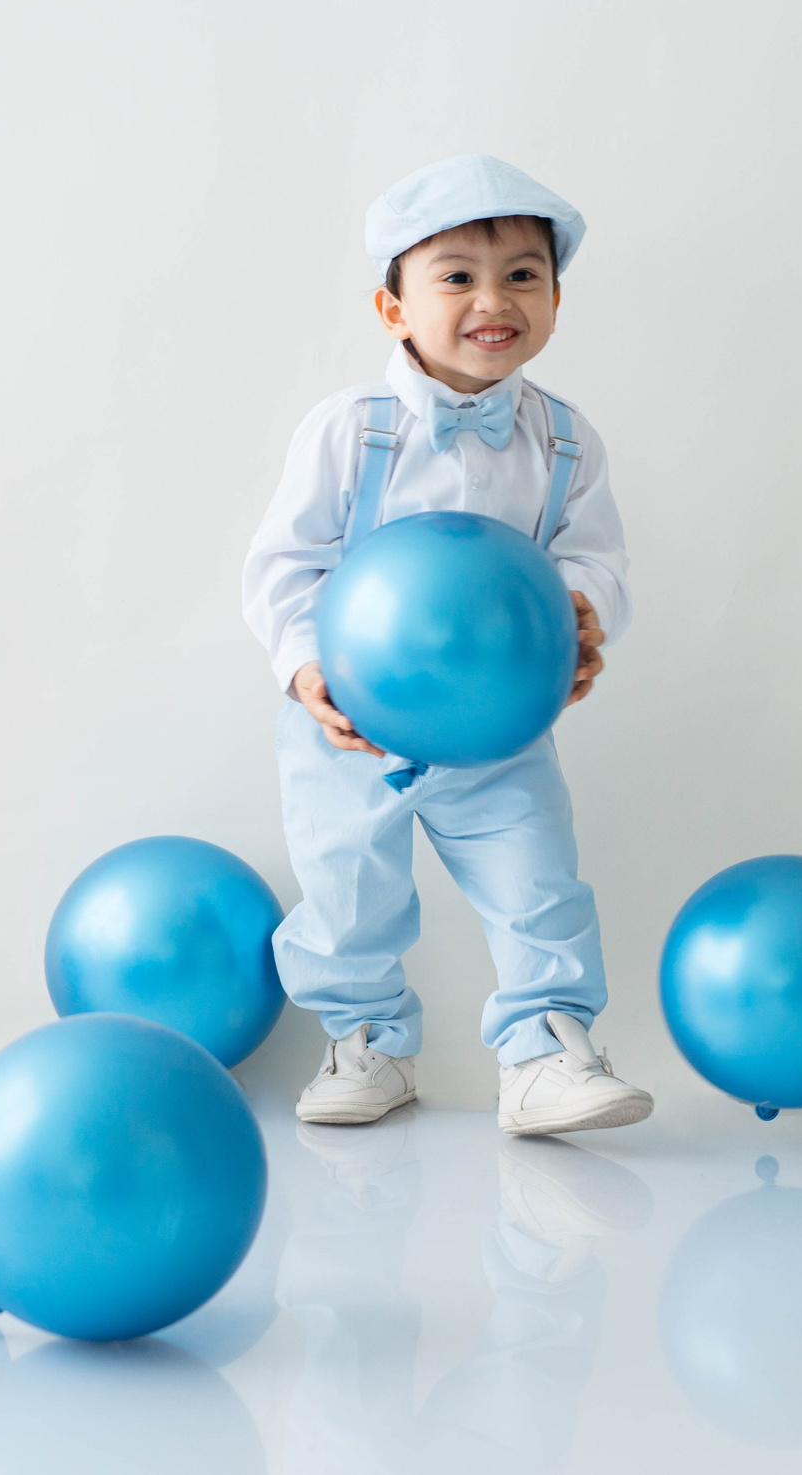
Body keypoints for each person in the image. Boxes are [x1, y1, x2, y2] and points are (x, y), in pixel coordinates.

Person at [242, 153, 651, 1136]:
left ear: (555, 297)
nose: (491, 299)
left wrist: (583, 616)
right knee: (348, 891)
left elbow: (594, 560)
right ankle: (368, 1041)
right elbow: (283, 565)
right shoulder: (352, 429)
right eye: (456, 276)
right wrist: (305, 665)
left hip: (501, 728)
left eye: (521, 275)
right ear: (393, 309)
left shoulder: (562, 441)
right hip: (353, 726)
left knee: (538, 882)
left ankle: (546, 1050)